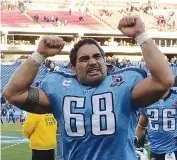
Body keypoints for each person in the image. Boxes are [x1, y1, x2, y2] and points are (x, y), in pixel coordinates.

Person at [2, 15, 174, 160]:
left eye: (97, 57)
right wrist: (39, 55)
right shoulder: (60, 89)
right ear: (73, 68)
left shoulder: (124, 85)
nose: (92, 61)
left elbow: (164, 81)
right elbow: (13, 93)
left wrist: (141, 35)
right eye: (84, 59)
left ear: (105, 63)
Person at [136, 79, 177, 160]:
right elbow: (142, 126)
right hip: (155, 150)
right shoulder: (146, 100)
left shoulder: (175, 97)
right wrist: (136, 142)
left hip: (174, 149)